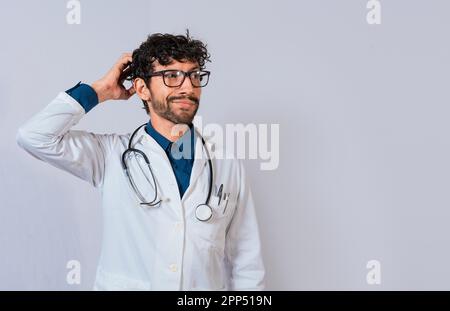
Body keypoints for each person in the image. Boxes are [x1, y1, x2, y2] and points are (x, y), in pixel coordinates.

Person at [16, 31, 265, 291]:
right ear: (142, 88)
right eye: (171, 76)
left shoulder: (226, 165)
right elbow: (33, 136)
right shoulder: (110, 155)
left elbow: (246, 264)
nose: (188, 87)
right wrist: (100, 90)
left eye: (194, 75)